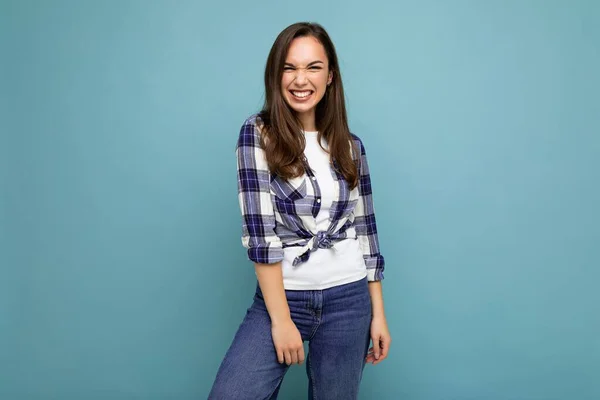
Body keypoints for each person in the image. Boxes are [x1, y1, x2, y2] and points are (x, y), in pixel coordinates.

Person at [208, 22, 391, 400]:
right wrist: (281, 320)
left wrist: (379, 315)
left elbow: (366, 234)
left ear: (330, 76)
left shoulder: (351, 146)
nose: (300, 79)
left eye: (313, 67)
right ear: (276, 76)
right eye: (289, 68)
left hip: (349, 298)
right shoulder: (258, 135)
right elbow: (261, 237)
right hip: (285, 296)